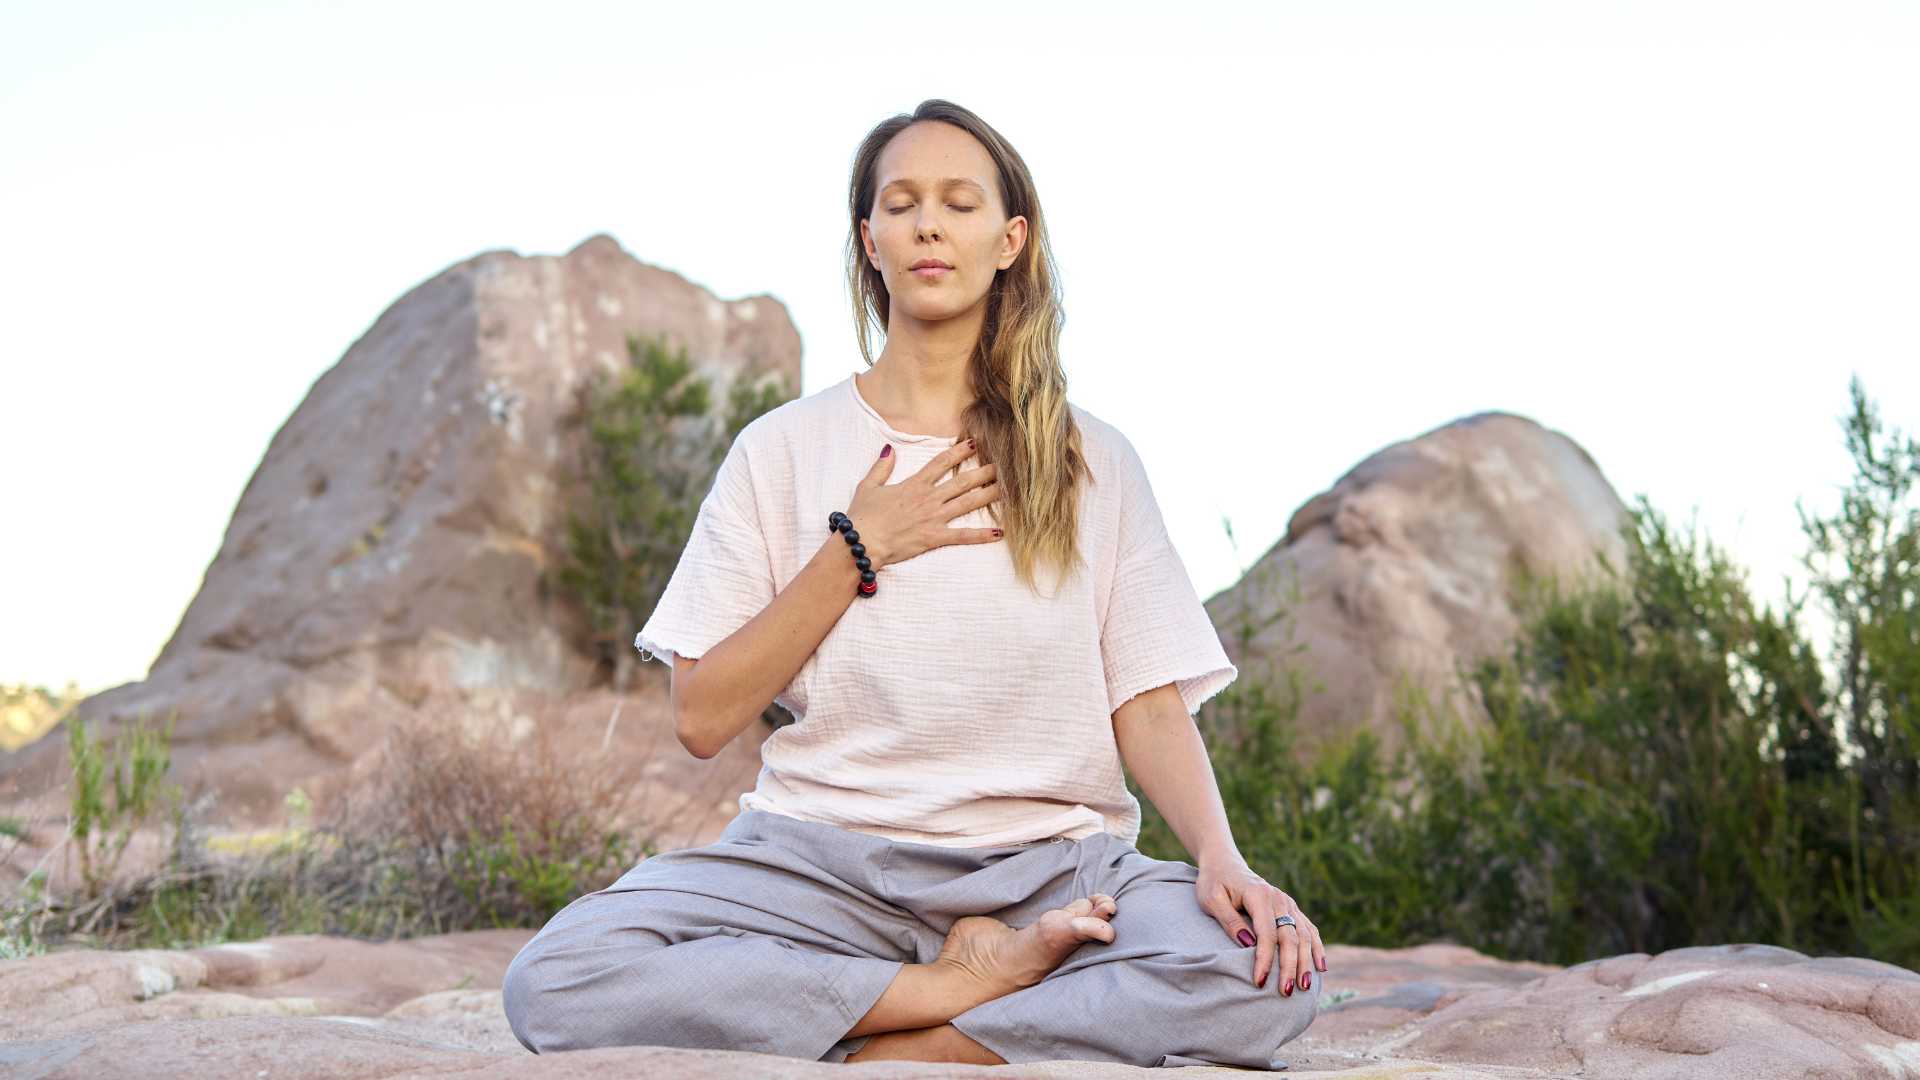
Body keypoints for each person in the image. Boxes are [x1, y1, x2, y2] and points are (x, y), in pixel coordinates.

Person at [502, 99, 1327, 1069]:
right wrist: (857, 549)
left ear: (1010, 238)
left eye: (958, 202)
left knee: (1264, 980)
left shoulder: (1092, 460)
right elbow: (702, 713)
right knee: (558, 978)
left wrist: (1224, 862)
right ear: (871, 239)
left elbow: (1144, 702)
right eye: (901, 204)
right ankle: (952, 989)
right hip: (815, 864)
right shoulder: (782, 450)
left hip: (1051, 872)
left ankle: (931, 1043)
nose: (929, 224)